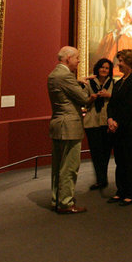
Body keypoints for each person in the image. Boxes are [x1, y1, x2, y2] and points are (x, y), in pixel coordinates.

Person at [47, 46, 88, 214]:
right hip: (69, 125)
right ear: (68, 58)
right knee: (69, 166)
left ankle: (56, 199)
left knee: (58, 166)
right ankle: (65, 202)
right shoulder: (66, 76)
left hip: (58, 124)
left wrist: (76, 83)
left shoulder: (54, 74)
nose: (78, 61)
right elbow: (83, 99)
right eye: (77, 57)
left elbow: (64, 91)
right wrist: (87, 90)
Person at [106, 49, 132, 206]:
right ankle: (121, 190)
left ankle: (131, 192)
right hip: (117, 125)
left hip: (129, 125)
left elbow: (130, 105)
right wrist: (109, 119)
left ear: (129, 62)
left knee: (130, 159)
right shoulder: (119, 82)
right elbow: (112, 103)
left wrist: (117, 121)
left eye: (121, 61)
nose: (118, 64)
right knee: (120, 159)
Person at [82, 58, 114, 191]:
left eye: (107, 68)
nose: (104, 70)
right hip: (92, 121)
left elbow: (118, 100)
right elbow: (83, 102)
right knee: (96, 152)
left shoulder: (113, 83)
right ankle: (100, 179)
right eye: (102, 67)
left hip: (106, 120)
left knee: (106, 152)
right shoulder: (88, 83)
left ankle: (103, 178)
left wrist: (108, 95)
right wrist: (91, 98)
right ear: (97, 68)